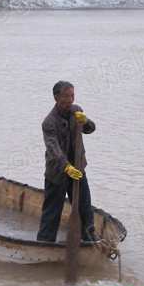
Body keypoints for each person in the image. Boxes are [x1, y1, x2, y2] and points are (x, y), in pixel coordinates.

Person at [37, 80, 98, 243]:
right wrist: (66, 167)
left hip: (78, 169)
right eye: (66, 96)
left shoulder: (77, 111)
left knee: (85, 207)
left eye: (72, 95)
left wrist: (86, 121)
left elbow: (90, 129)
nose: (70, 100)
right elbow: (54, 149)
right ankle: (44, 242)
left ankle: (90, 239)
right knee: (52, 212)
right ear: (56, 97)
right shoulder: (49, 122)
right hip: (57, 172)